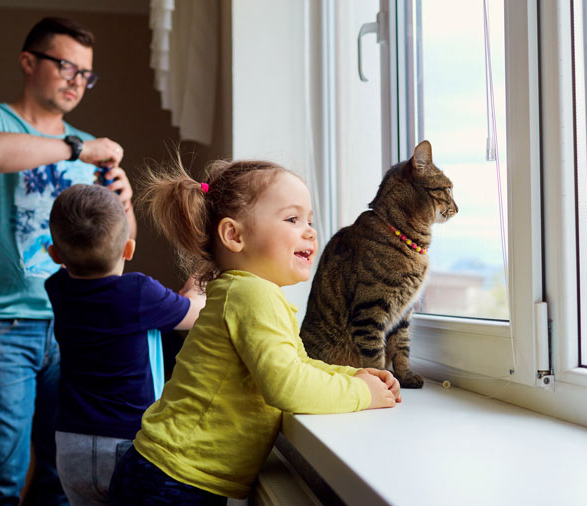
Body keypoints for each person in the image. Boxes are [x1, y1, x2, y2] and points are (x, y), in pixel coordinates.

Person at [106, 158, 402, 505]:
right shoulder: (251, 294)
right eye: (292, 219)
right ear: (234, 235)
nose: (310, 231)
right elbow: (287, 385)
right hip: (170, 479)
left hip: (172, 474)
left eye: (309, 220)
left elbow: (298, 364)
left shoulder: (251, 292)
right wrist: (361, 393)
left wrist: (353, 374)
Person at [0, 17, 135, 505]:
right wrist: (77, 149)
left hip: (76, 324)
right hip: (1, 321)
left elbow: (122, 243)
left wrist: (126, 202)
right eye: (66, 67)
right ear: (28, 62)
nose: (77, 81)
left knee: (64, 477)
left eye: (86, 74)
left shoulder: (90, 148)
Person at [43, 184, 205, 505]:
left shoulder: (56, 288)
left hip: (70, 443)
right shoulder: (138, 293)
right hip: (126, 441)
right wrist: (201, 274)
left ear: (55, 255)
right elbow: (195, 312)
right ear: (128, 249)